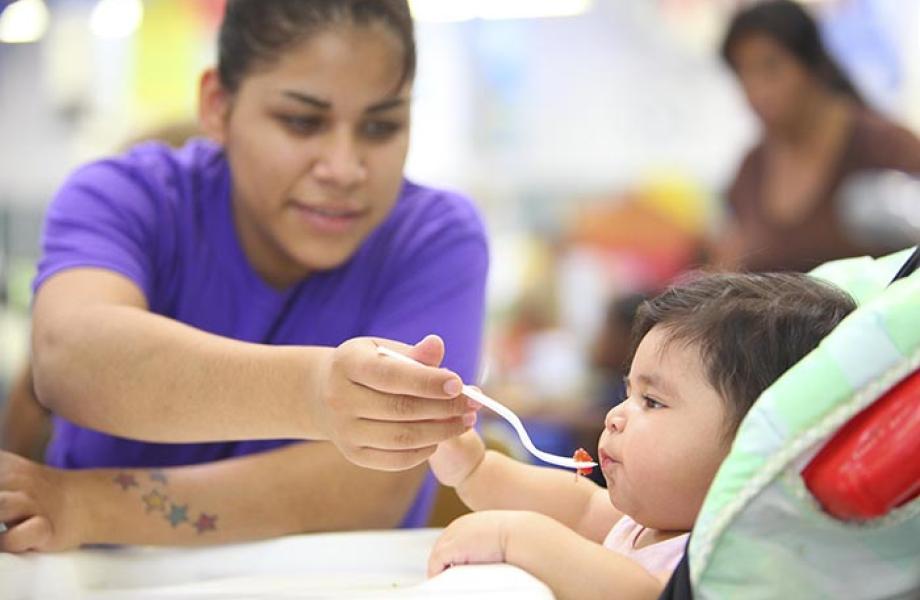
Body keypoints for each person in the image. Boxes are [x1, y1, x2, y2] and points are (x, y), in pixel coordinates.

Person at [0, 0, 488, 553]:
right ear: (218, 105)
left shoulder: (433, 237)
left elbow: (374, 487)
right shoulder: (126, 197)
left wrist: (86, 506)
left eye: (381, 127)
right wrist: (314, 391)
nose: (344, 168)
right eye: (302, 121)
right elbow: (71, 358)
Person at [425, 272, 855, 600]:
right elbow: (576, 505)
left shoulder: (725, 559)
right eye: (627, 393)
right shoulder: (642, 525)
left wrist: (515, 538)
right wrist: (470, 465)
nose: (615, 416)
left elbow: (644, 595)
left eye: (652, 401)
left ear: (754, 441)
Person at [715, 0, 920, 273]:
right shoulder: (750, 171)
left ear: (810, 64)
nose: (758, 91)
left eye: (770, 68)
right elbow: (729, 263)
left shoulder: (886, 148)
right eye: (744, 75)